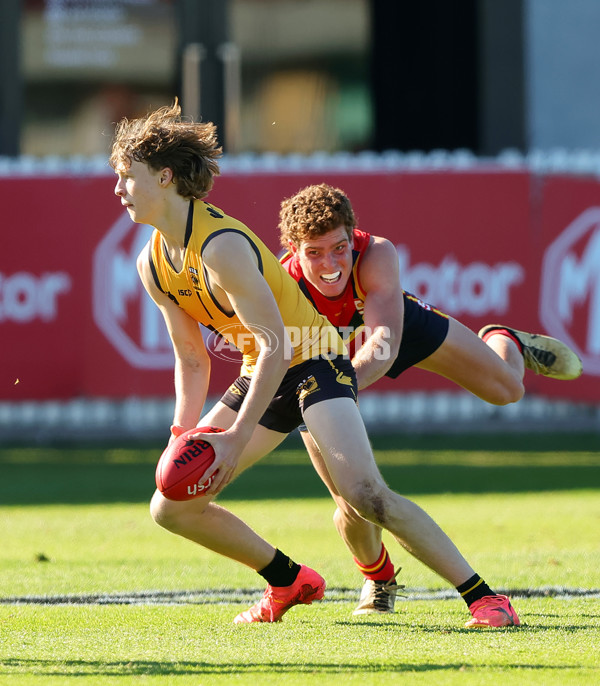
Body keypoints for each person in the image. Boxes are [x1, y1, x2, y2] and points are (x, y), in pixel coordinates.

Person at [110, 101, 520, 629]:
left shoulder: (222, 245)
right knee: (170, 506)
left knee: (366, 496)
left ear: (164, 177)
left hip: (313, 358)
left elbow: (279, 345)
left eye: (127, 177)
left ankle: (486, 598)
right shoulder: (152, 262)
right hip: (264, 369)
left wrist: (233, 436)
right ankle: (288, 579)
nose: (119, 189)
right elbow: (191, 359)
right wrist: (180, 430)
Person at [278, 182, 583, 616]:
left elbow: (384, 338)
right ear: (293, 249)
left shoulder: (377, 253)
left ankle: (503, 339)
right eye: (314, 253)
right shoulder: (279, 282)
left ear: (354, 236)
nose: (330, 265)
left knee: (508, 390)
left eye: (340, 249)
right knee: (352, 500)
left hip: (391, 328)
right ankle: (379, 579)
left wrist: (339, 390)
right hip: (321, 357)